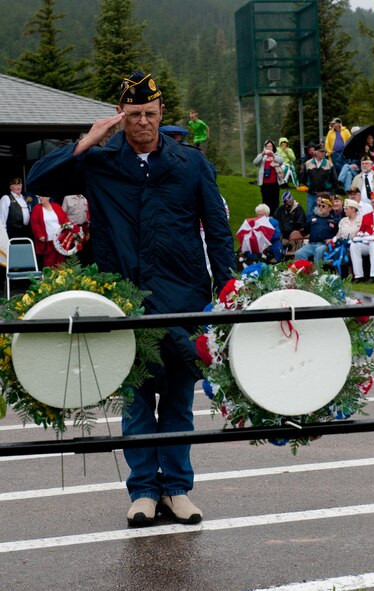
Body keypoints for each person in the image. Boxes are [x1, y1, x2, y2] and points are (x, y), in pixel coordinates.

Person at [27, 70, 235, 527]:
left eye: (150, 114)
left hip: (182, 297)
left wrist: (229, 293)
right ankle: (143, 490)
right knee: (138, 401)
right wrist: (88, 138)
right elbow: (36, 181)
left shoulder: (191, 163)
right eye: (134, 114)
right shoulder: (100, 162)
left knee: (179, 400)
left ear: (163, 114)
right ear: (121, 116)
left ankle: (177, 489)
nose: (143, 122)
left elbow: (218, 234)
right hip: (123, 303)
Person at [294, 195, 338, 263]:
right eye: (319, 205)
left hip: (324, 245)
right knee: (299, 253)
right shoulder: (313, 219)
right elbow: (304, 232)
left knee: (319, 250)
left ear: (329, 208)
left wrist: (332, 240)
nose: (320, 207)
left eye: (323, 206)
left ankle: (317, 271)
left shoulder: (334, 221)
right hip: (311, 244)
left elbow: (338, 235)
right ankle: (303, 271)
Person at [299, 143, 337, 218]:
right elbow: (303, 178)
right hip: (312, 193)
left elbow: (334, 179)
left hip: (325, 194)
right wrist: (309, 186)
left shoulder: (329, 164)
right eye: (321, 151)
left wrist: (330, 191)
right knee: (309, 213)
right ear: (315, 152)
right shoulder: (308, 163)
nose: (323, 153)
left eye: (324, 152)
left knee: (325, 213)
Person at [30, 195, 69, 268]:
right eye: (40, 197)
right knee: (49, 263)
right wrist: (40, 235)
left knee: (61, 262)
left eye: (42, 197)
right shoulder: (37, 208)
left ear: (48, 197)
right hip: (48, 242)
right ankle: (49, 278)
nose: (40, 198)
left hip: (60, 240)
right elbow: (35, 224)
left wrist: (68, 227)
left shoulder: (56, 206)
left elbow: (65, 218)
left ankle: (61, 278)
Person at [253, 139, 284, 213]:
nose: (269, 148)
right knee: (266, 200)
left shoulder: (276, 155)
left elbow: (281, 161)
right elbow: (255, 162)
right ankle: (266, 216)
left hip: (274, 182)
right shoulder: (262, 155)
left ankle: (275, 215)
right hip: (265, 182)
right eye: (267, 146)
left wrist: (273, 154)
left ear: (273, 147)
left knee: (275, 200)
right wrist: (262, 154)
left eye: (270, 146)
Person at [62, 193, 92, 265]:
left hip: (84, 229)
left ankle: (84, 271)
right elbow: (62, 215)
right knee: (72, 252)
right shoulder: (67, 198)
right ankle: (72, 271)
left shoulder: (86, 197)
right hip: (71, 230)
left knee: (85, 252)